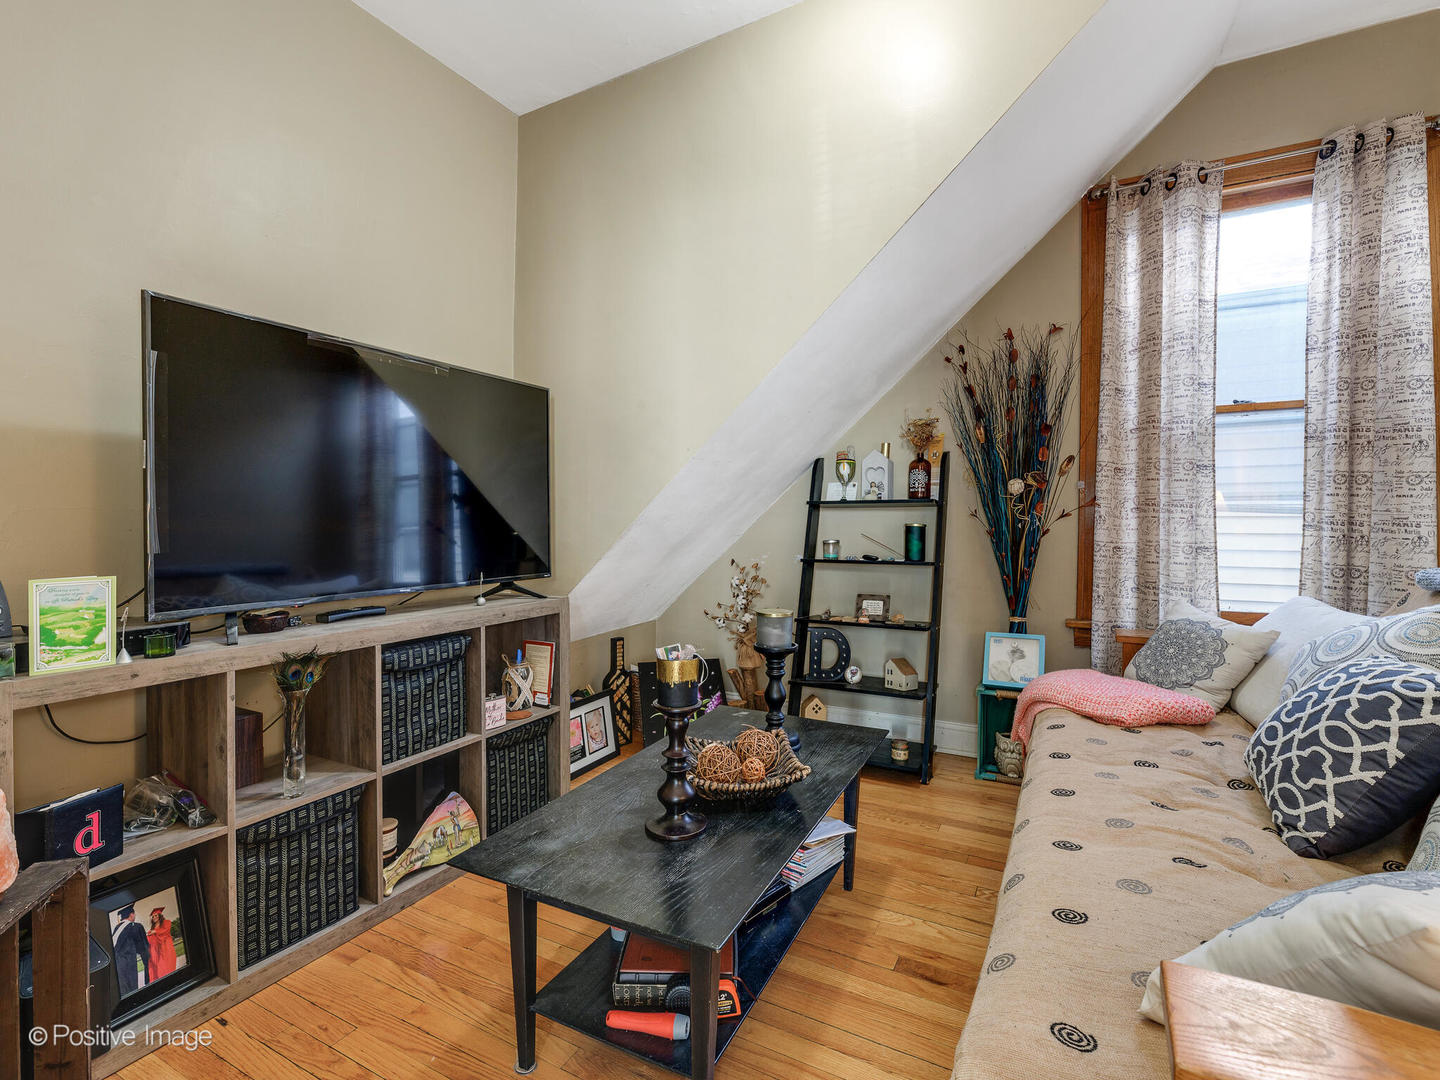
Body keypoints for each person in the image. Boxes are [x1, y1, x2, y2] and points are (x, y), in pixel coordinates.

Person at [112, 905, 151, 996]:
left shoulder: (117, 928)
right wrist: (147, 964)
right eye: (134, 914)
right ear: (131, 914)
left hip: (117, 965)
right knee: (132, 989)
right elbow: (143, 948)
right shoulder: (136, 926)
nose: (135, 916)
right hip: (129, 963)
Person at [147, 906, 179, 980]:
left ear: (160, 916)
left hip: (166, 948)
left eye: (156, 915)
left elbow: (165, 931)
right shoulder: (152, 929)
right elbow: (149, 939)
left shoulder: (166, 922)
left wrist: (155, 932)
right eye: (153, 916)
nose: (154, 917)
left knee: (167, 966)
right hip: (157, 951)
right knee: (159, 968)